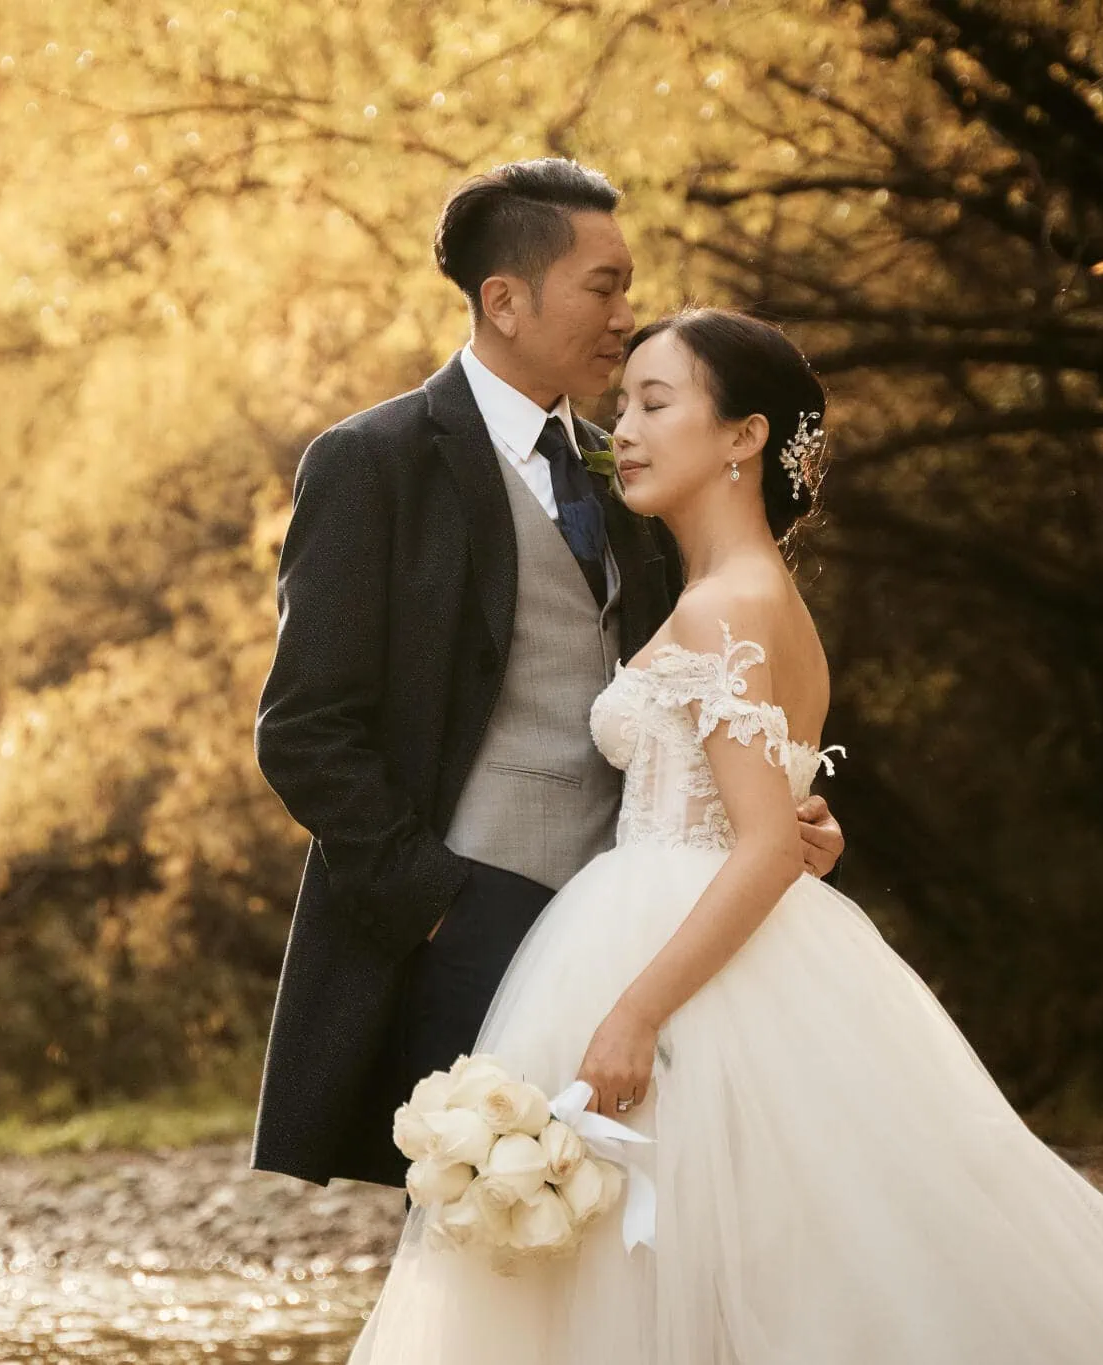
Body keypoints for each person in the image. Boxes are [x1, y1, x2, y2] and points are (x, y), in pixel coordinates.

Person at [346, 307, 1103, 1364]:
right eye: (622, 406)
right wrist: (787, 838)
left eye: (655, 404)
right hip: (709, 935)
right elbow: (765, 820)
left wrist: (630, 1014)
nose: (626, 431)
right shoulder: (741, 597)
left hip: (676, 965)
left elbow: (755, 844)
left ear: (743, 436)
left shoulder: (725, 608)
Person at [250, 159, 844, 1191]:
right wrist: (435, 901)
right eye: (601, 286)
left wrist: (775, 813)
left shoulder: (633, 473)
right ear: (506, 300)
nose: (623, 316)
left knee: (635, 1230)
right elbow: (303, 728)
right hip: (470, 919)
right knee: (492, 1225)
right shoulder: (373, 462)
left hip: (640, 926)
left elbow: (705, 689)